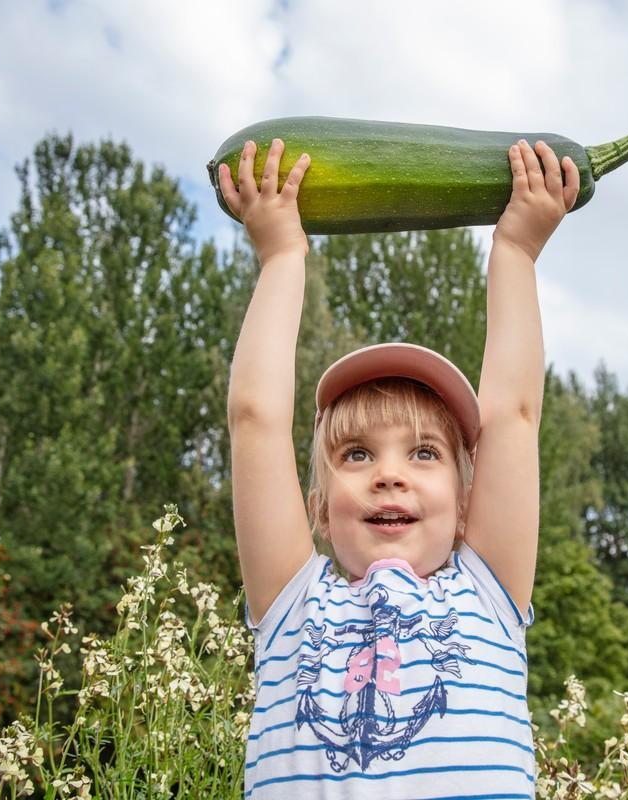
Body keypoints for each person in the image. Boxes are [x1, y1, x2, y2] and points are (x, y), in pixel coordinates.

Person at [218, 132, 580, 798]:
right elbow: (255, 422)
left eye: (424, 452)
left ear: (468, 501)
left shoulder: (486, 592)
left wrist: (517, 249)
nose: (389, 473)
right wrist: (281, 255)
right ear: (318, 509)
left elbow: (513, 414)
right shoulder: (293, 605)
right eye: (356, 454)